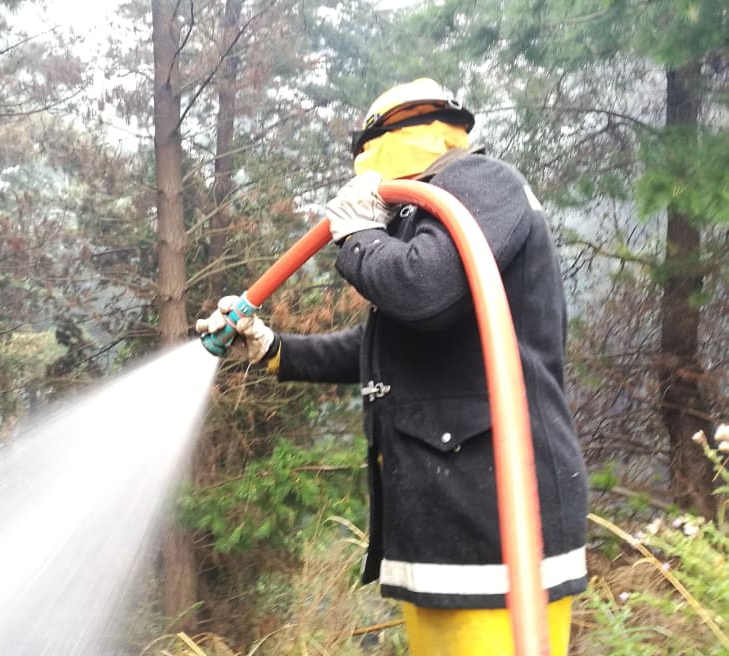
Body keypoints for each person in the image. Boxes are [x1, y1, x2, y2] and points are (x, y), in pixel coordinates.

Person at [196, 78, 588, 655]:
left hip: (498, 531)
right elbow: (385, 345)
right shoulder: (418, 219)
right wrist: (272, 346)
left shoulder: (480, 182)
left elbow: (422, 292)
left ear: (388, 135)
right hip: (444, 529)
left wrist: (358, 236)